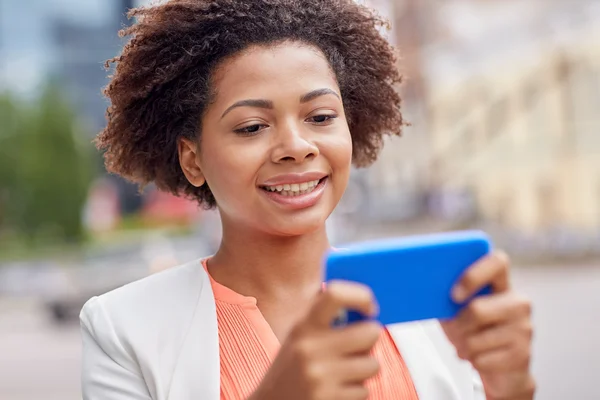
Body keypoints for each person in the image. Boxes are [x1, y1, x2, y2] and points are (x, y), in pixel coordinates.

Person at [81, 1, 535, 399]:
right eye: (252, 127)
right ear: (193, 159)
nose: (296, 146)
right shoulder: (122, 329)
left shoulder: (434, 303)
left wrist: (510, 390)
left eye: (320, 117)